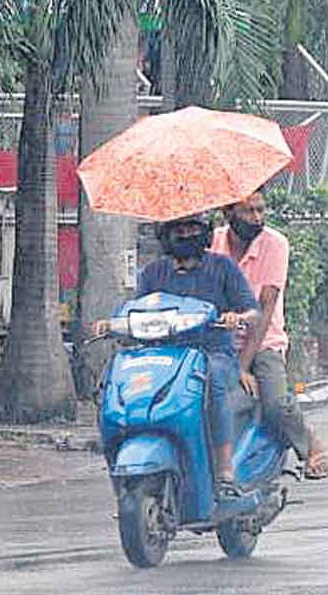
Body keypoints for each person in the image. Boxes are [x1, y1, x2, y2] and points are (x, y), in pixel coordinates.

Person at [95, 213, 259, 499]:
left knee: (214, 382)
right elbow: (135, 308)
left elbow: (252, 310)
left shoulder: (223, 268)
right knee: (112, 382)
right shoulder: (154, 273)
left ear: (205, 233)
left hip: (211, 353)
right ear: (165, 236)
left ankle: (223, 471)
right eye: (178, 229)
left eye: (193, 228)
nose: (186, 234)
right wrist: (111, 324)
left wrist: (237, 317)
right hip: (161, 354)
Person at [213, 189, 328, 479]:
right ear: (228, 214)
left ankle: (309, 443)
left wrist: (242, 366)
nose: (257, 218)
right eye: (248, 212)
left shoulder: (275, 244)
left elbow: (265, 310)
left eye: (260, 210)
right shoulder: (212, 242)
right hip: (219, 340)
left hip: (263, 341)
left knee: (276, 402)